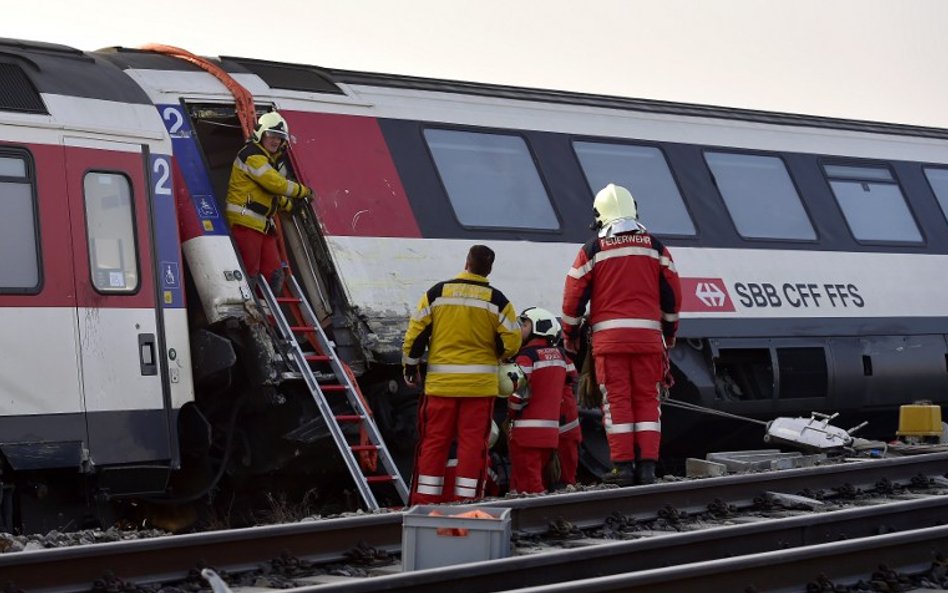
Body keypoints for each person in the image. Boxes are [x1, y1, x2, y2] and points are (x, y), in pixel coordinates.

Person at [561, 183, 682, 487]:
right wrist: (670, 332)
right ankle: (647, 468)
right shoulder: (655, 247)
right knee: (647, 403)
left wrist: (570, 333)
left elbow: (573, 298)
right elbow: (672, 297)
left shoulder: (593, 249)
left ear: (600, 215)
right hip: (648, 342)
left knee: (617, 404)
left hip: (609, 342)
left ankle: (623, 467)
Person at [402, 245, 522, 504]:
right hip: (479, 389)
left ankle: (425, 501)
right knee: (472, 445)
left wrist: (411, 368)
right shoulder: (498, 301)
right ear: (489, 269)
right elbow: (512, 341)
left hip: (440, 387)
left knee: (433, 442)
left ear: (466, 262)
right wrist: (496, 354)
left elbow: (416, 334)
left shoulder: (437, 293)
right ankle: (467, 502)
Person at [225, 111, 313, 294]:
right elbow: (275, 184)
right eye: (271, 135)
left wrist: (290, 206)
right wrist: (303, 192)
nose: (275, 141)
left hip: (261, 225)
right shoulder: (252, 155)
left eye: (280, 138)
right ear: (261, 134)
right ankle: (251, 317)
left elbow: (270, 193)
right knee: (249, 274)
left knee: (274, 275)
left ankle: (267, 319)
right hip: (245, 222)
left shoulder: (265, 159)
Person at [505, 307, 577, 494]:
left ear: (538, 327)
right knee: (543, 482)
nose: (520, 329)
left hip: (526, 434)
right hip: (551, 434)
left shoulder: (526, 357)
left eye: (525, 324)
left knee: (528, 486)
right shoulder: (561, 356)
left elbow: (518, 393)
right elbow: (571, 377)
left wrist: (511, 413)